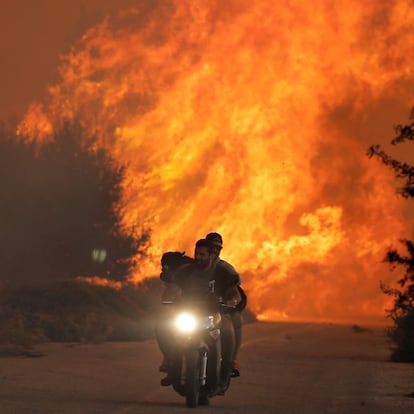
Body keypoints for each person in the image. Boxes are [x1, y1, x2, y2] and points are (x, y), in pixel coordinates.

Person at [156, 238, 241, 391]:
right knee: (162, 326)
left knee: (228, 329)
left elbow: (234, 293)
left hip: (214, 313)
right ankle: (171, 363)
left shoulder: (223, 271)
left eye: (202, 254)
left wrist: (231, 301)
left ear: (211, 255)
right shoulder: (185, 271)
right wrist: (168, 299)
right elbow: (173, 289)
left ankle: (225, 371)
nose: (198, 257)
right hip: (189, 313)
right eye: (197, 253)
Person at [205, 232, 246, 377]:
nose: (214, 251)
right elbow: (177, 286)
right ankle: (171, 360)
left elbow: (234, 292)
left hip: (218, 310)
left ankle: (229, 362)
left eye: (218, 248)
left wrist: (231, 301)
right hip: (194, 310)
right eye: (211, 247)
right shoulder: (191, 268)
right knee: (165, 323)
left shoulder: (226, 270)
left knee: (231, 324)